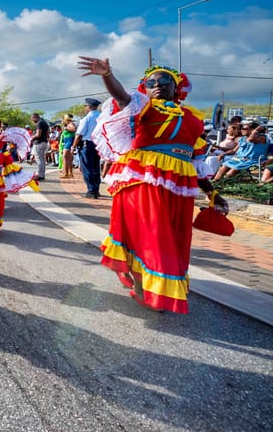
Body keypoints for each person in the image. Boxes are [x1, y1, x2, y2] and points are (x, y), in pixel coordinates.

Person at [78, 56, 225, 313]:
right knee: (151, 235)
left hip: (179, 186)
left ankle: (160, 285)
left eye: (164, 81)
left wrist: (213, 194)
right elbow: (122, 97)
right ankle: (142, 287)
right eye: (150, 82)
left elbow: (196, 162)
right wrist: (107, 75)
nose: (157, 85)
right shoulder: (142, 108)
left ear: (176, 87)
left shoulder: (192, 119)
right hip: (142, 179)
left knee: (175, 237)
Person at [71, 98, 102, 198]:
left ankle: (91, 191)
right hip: (98, 145)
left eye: (86, 106)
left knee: (87, 168)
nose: (85, 108)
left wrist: (73, 146)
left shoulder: (86, 119)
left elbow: (79, 135)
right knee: (96, 168)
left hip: (87, 145)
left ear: (89, 107)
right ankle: (96, 189)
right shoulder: (101, 117)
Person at [30, 113, 49, 180]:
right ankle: (42, 174)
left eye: (32, 119)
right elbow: (47, 134)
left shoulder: (39, 123)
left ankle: (40, 175)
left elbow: (38, 134)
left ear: (35, 117)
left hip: (39, 143)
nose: (32, 121)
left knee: (39, 159)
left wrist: (31, 138)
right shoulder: (45, 123)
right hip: (44, 142)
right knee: (42, 159)